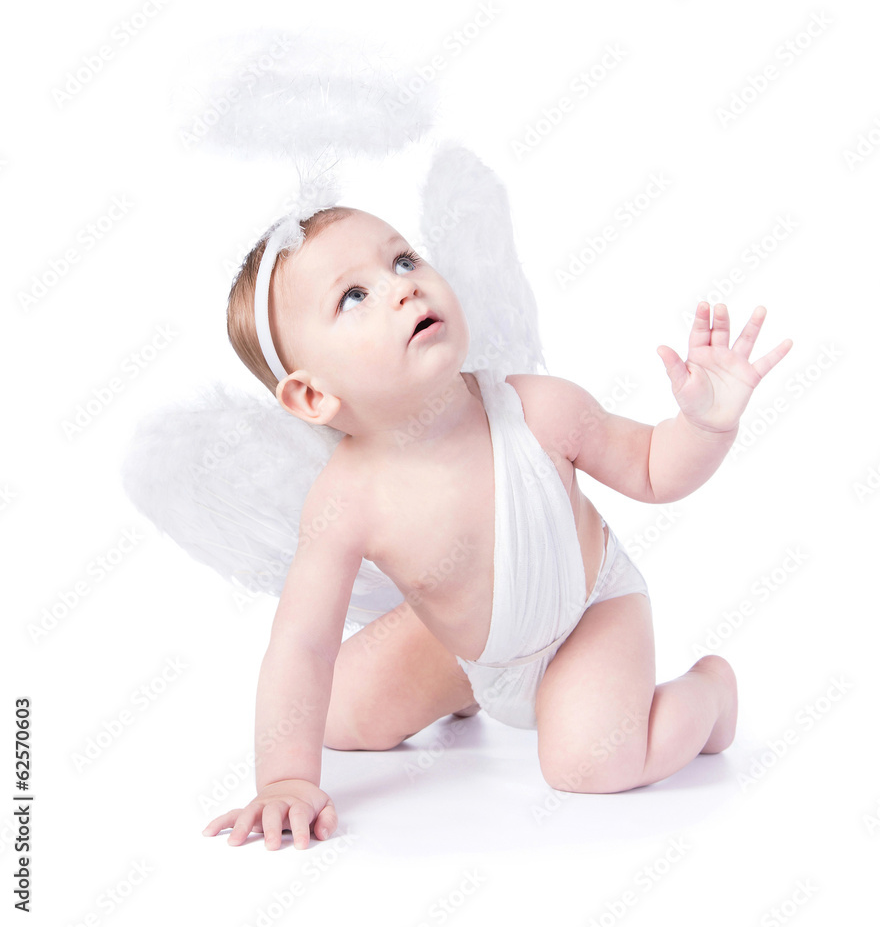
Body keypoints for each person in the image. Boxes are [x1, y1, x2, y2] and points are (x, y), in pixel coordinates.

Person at [203, 205, 793, 849]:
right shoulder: (343, 503)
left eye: (403, 259)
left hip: (587, 616)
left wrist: (705, 424)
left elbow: (653, 469)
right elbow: (302, 647)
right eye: (353, 296)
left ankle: (709, 696)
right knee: (335, 714)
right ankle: (464, 693)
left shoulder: (536, 409)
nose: (404, 286)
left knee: (592, 763)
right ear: (313, 396)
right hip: (471, 650)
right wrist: (285, 779)